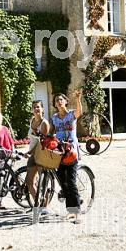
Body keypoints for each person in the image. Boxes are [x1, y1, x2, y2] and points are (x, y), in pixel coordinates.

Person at [50, 90, 83, 224]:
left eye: (61, 99)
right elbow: (52, 131)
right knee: (63, 183)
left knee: (71, 182)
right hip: (60, 152)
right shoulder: (54, 118)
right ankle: (71, 210)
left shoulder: (71, 115)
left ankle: (77, 214)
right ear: (55, 104)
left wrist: (78, 99)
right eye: (57, 100)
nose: (59, 101)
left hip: (71, 151)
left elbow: (79, 112)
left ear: (65, 101)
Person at [25, 100, 50, 204]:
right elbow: (31, 138)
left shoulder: (44, 123)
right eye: (34, 107)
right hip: (33, 154)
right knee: (29, 181)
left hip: (42, 154)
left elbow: (42, 143)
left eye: (38, 107)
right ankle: (39, 202)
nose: (36, 109)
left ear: (42, 109)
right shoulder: (32, 121)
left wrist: (30, 152)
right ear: (32, 110)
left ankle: (45, 206)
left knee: (43, 182)